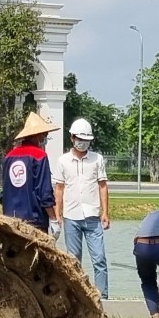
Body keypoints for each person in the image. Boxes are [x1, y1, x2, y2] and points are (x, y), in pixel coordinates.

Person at [54, 118, 111, 299]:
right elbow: (59, 189)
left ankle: (102, 297)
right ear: (72, 137)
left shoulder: (97, 159)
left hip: (93, 215)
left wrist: (105, 212)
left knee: (99, 259)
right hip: (71, 216)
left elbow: (102, 185)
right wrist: (57, 214)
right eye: (79, 138)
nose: (82, 142)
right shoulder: (63, 160)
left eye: (86, 140)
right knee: (73, 260)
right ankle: (76, 296)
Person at [0, 110, 56, 234]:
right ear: (37, 135)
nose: (44, 137)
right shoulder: (40, 156)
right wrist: (53, 219)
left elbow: (5, 190)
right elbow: (44, 192)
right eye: (44, 134)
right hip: (34, 221)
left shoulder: (9, 156)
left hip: (10, 219)